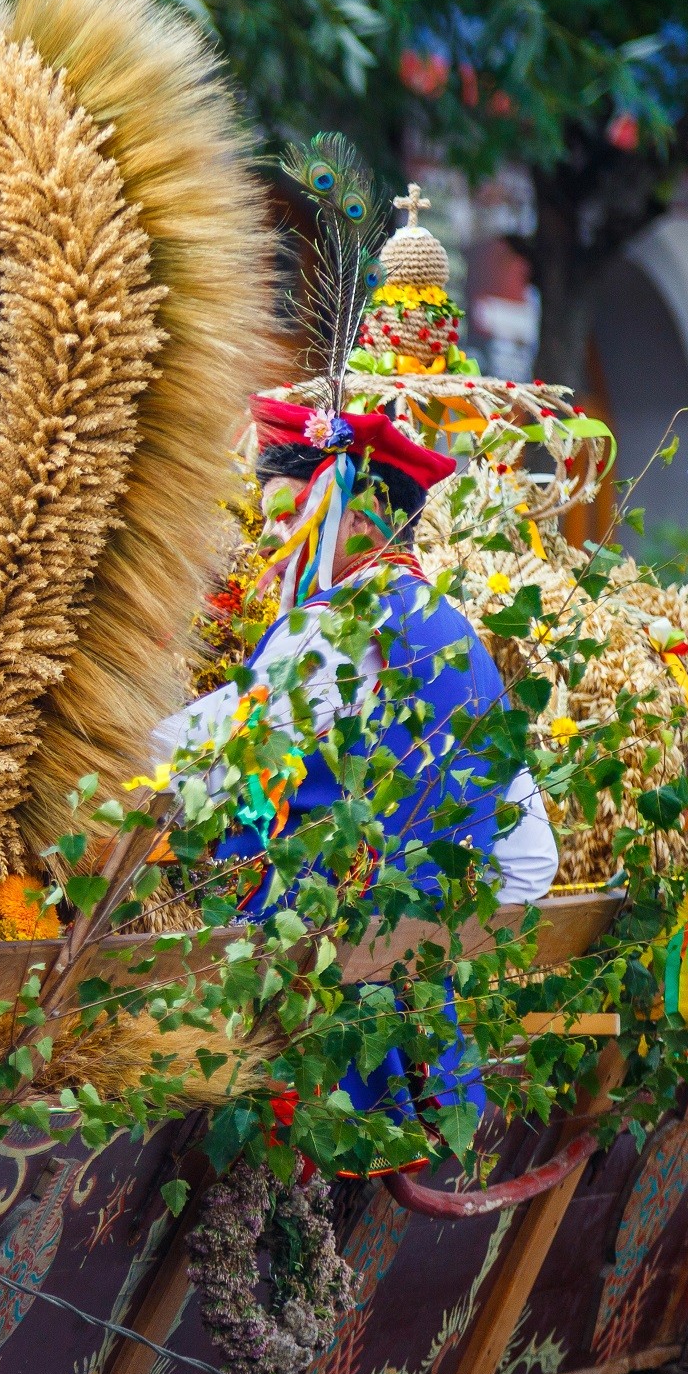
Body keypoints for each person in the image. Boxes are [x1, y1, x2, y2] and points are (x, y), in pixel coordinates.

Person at [154, 399, 556, 1113]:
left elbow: (185, 771)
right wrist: (420, 936)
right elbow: (531, 860)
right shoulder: (459, 638)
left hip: (307, 1052)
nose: (273, 541)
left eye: (289, 516)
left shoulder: (334, 626)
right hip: (426, 1055)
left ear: (357, 516)